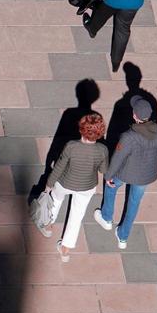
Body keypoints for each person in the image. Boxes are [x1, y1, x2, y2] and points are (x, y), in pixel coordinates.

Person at [94, 96, 157, 249]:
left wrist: (108, 175)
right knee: (134, 204)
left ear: (134, 115)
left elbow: (117, 159)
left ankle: (106, 218)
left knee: (111, 186)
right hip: (146, 176)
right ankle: (123, 237)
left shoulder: (129, 137)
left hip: (125, 173)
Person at [41, 112, 108, 262]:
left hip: (65, 182)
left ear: (82, 130)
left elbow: (59, 167)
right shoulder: (102, 150)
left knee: (55, 200)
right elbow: (104, 170)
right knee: (77, 215)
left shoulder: (72, 146)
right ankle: (65, 250)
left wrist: (49, 184)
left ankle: (48, 226)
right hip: (87, 186)